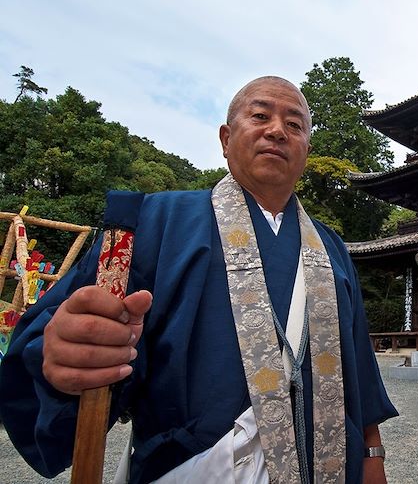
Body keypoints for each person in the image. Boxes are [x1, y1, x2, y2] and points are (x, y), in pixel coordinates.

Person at [0, 76, 397, 484]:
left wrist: (373, 456)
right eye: (260, 115)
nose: (277, 130)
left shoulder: (332, 248)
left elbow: (358, 370)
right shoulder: (156, 222)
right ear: (226, 139)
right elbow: (64, 333)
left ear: (306, 151)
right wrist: (66, 348)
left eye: (294, 125)